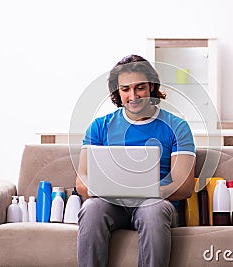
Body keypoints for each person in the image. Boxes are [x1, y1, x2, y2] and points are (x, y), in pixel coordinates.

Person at [76, 54, 196, 267]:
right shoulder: (99, 127)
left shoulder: (177, 126)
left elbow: (184, 186)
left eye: (140, 87)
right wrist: (103, 188)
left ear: (151, 86)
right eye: (125, 89)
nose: (133, 95)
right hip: (113, 204)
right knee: (92, 208)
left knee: (152, 209)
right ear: (117, 92)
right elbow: (81, 181)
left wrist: (144, 191)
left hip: (157, 203)